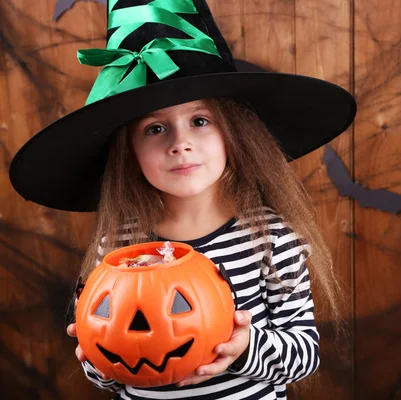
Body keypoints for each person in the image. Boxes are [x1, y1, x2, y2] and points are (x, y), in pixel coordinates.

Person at [9, 0, 356, 399]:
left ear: (233, 134)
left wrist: (245, 347)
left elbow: (304, 356)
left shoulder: (270, 238)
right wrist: (98, 357)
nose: (181, 144)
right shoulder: (120, 249)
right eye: (155, 129)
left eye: (200, 121)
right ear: (130, 154)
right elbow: (114, 375)